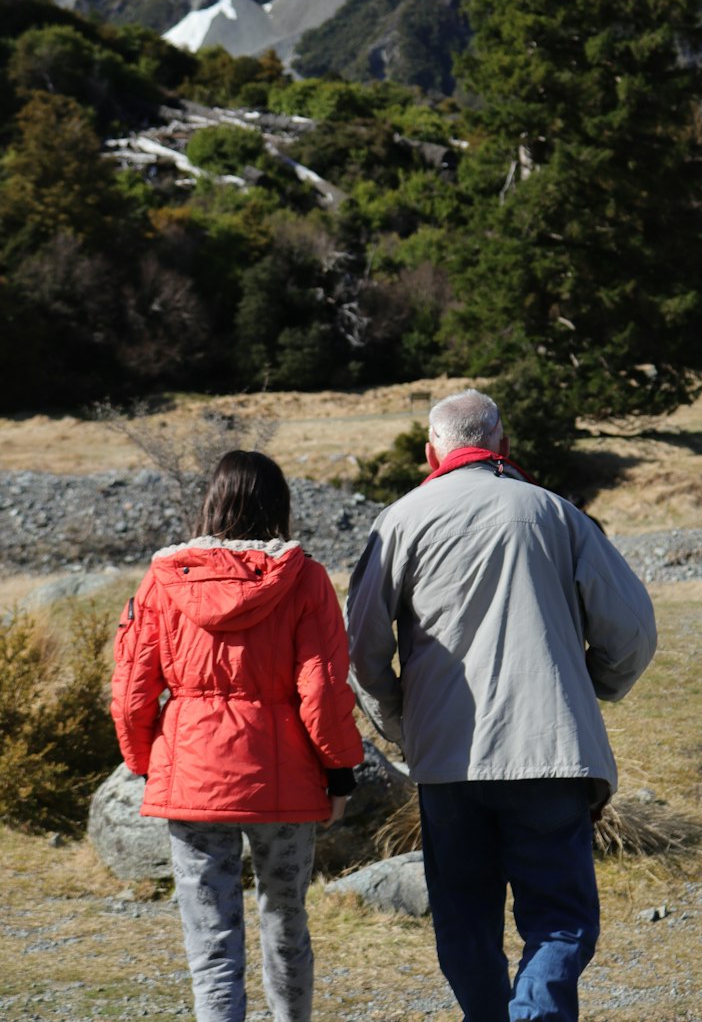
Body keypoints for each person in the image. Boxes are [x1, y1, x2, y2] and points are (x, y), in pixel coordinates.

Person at [347, 389, 657, 1022]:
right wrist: (595, 683)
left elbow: (359, 653)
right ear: (503, 447)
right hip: (550, 753)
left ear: (430, 451)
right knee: (560, 922)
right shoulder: (556, 514)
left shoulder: (399, 522)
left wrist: (405, 727)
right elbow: (633, 630)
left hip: (447, 764)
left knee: (463, 925)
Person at [111, 449, 363, 1022]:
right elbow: (321, 690)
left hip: (193, 774)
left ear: (212, 501)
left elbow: (131, 691)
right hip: (286, 781)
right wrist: (341, 771)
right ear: (280, 504)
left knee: (210, 932)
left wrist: (145, 762)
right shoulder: (306, 579)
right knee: (286, 921)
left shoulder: (162, 581)